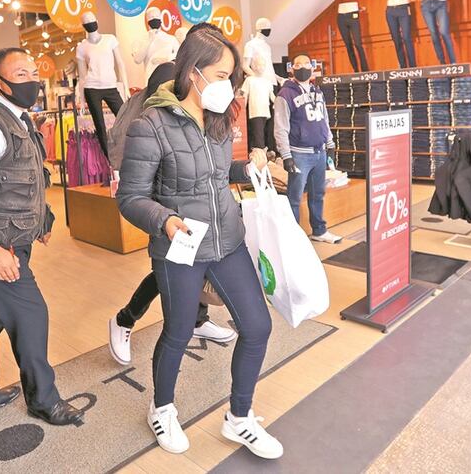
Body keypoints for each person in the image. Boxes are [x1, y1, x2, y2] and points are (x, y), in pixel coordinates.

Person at [117, 25, 282, 460]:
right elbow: (130, 197)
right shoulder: (150, 125)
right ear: (194, 73)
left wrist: (251, 169)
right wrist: (165, 221)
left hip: (226, 238)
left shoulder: (218, 119)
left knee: (257, 326)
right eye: (223, 74)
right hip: (180, 246)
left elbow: (215, 174)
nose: (229, 84)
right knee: (177, 332)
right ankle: (162, 407)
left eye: (232, 75)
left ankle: (239, 418)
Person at [0, 48, 83, 427]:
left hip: (11, 237)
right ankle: (43, 399)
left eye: (33, 72)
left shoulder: (20, 121)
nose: (31, 81)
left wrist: (44, 218)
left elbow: (25, 180)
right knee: (30, 312)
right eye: (20, 74)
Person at [106, 61, 236, 366]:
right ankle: (125, 319)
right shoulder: (151, 114)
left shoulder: (193, 100)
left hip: (189, 202)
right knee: (170, 270)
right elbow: (134, 176)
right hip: (159, 203)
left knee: (194, 263)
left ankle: (196, 321)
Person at [274, 54, 343, 244]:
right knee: (294, 197)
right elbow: (280, 127)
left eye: (306, 64)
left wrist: (330, 143)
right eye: (297, 64)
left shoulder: (317, 92)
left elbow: (325, 120)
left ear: (312, 68)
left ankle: (319, 231)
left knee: (318, 194)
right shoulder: (285, 95)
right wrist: (286, 156)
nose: (302, 67)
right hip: (299, 155)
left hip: (319, 153)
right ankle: (294, 238)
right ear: (291, 69)